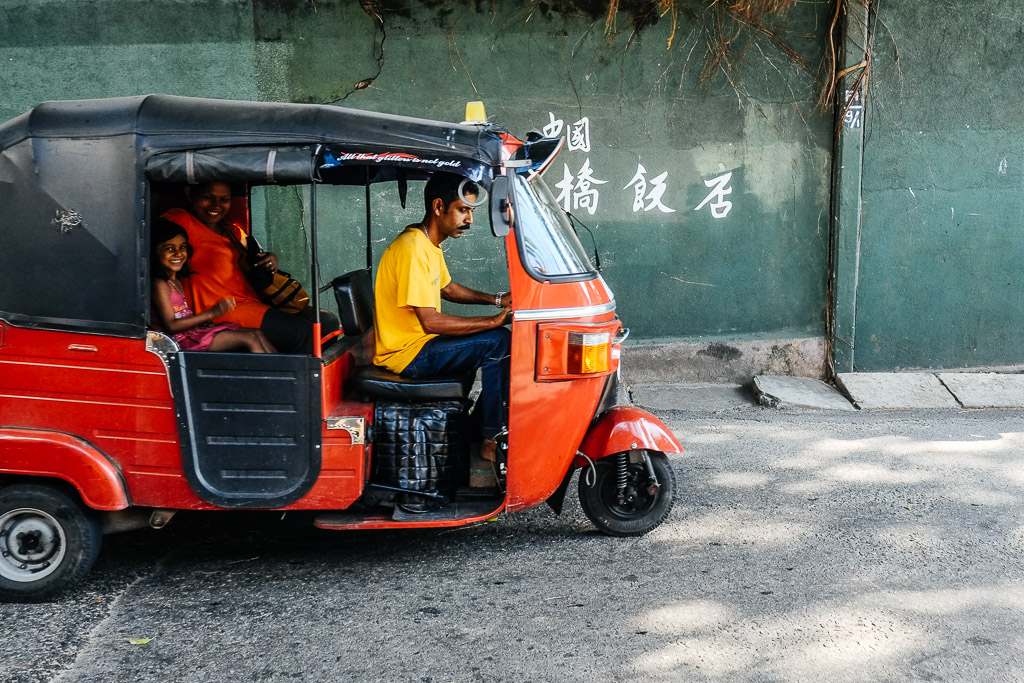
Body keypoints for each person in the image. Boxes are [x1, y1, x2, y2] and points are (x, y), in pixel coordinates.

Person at [374, 172, 512, 463]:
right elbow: (431, 322)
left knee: (497, 339)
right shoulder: (413, 249)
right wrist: (493, 321)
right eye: (463, 211)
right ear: (438, 207)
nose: (469, 221)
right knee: (498, 342)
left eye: (471, 212)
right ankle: (490, 439)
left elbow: (446, 287)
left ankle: (480, 425)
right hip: (407, 355)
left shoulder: (426, 242)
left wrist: (497, 299)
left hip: (419, 345)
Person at [162, 181, 328, 354]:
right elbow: (161, 244)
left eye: (224, 199)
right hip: (222, 309)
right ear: (190, 193)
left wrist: (270, 259)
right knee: (303, 332)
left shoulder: (232, 230)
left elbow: (252, 257)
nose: (216, 206)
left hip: (252, 301)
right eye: (207, 198)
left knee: (325, 321)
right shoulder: (181, 221)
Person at [150, 218, 276, 353]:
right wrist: (211, 313)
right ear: (155, 252)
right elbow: (171, 326)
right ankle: (271, 374)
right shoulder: (160, 284)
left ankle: (282, 371)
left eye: (182, 247)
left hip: (191, 332)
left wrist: (201, 322)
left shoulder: (176, 281)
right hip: (179, 341)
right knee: (250, 338)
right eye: (169, 249)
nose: (178, 253)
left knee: (257, 333)